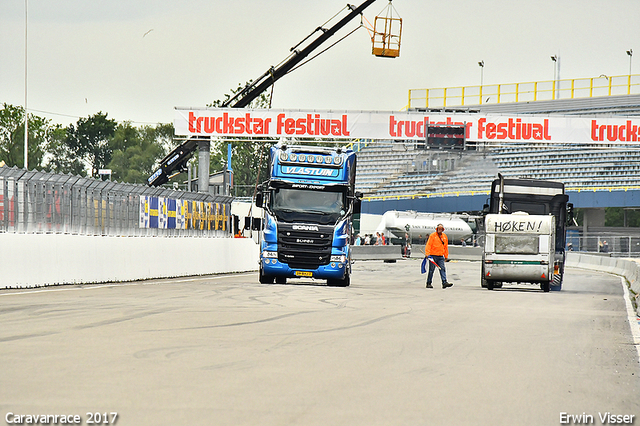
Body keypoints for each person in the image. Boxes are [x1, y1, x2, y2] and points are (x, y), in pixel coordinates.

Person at [424, 223, 453, 289]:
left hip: (440, 256)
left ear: (443, 229)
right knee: (431, 270)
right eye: (439, 229)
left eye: (441, 229)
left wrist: (446, 256)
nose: (440, 230)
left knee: (442, 269)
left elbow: (445, 247)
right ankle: (429, 283)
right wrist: (427, 253)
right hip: (433, 256)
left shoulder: (444, 236)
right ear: (437, 229)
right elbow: (429, 245)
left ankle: (444, 282)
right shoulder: (432, 236)